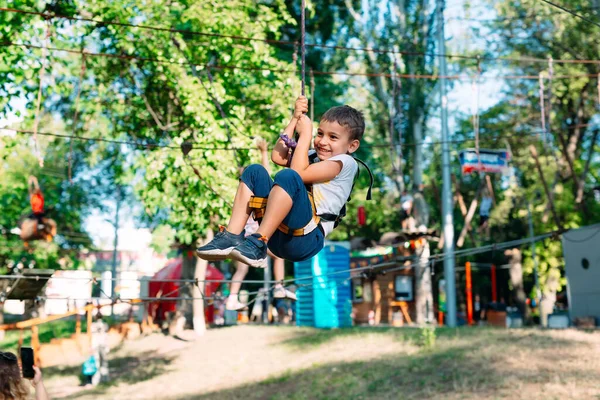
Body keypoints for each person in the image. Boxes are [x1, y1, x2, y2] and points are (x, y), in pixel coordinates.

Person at [197, 96, 363, 267]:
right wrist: (294, 118)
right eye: (320, 133)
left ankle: (257, 242)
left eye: (333, 137)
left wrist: (305, 135)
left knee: (288, 176)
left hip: (306, 240)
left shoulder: (346, 163)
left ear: (352, 146)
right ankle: (232, 235)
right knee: (254, 171)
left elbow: (297, 173)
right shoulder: (312, 156)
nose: (322, 141)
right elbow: (278, 156)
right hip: (278, 237)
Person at [226, 140, 296, 311]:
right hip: (254, 237)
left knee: (241, 270)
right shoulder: (254, 194)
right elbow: (265, 176)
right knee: (279, 256)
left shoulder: (240, 197)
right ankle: (279, 287)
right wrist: (264, 152)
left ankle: (232, 298)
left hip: (242, 238)